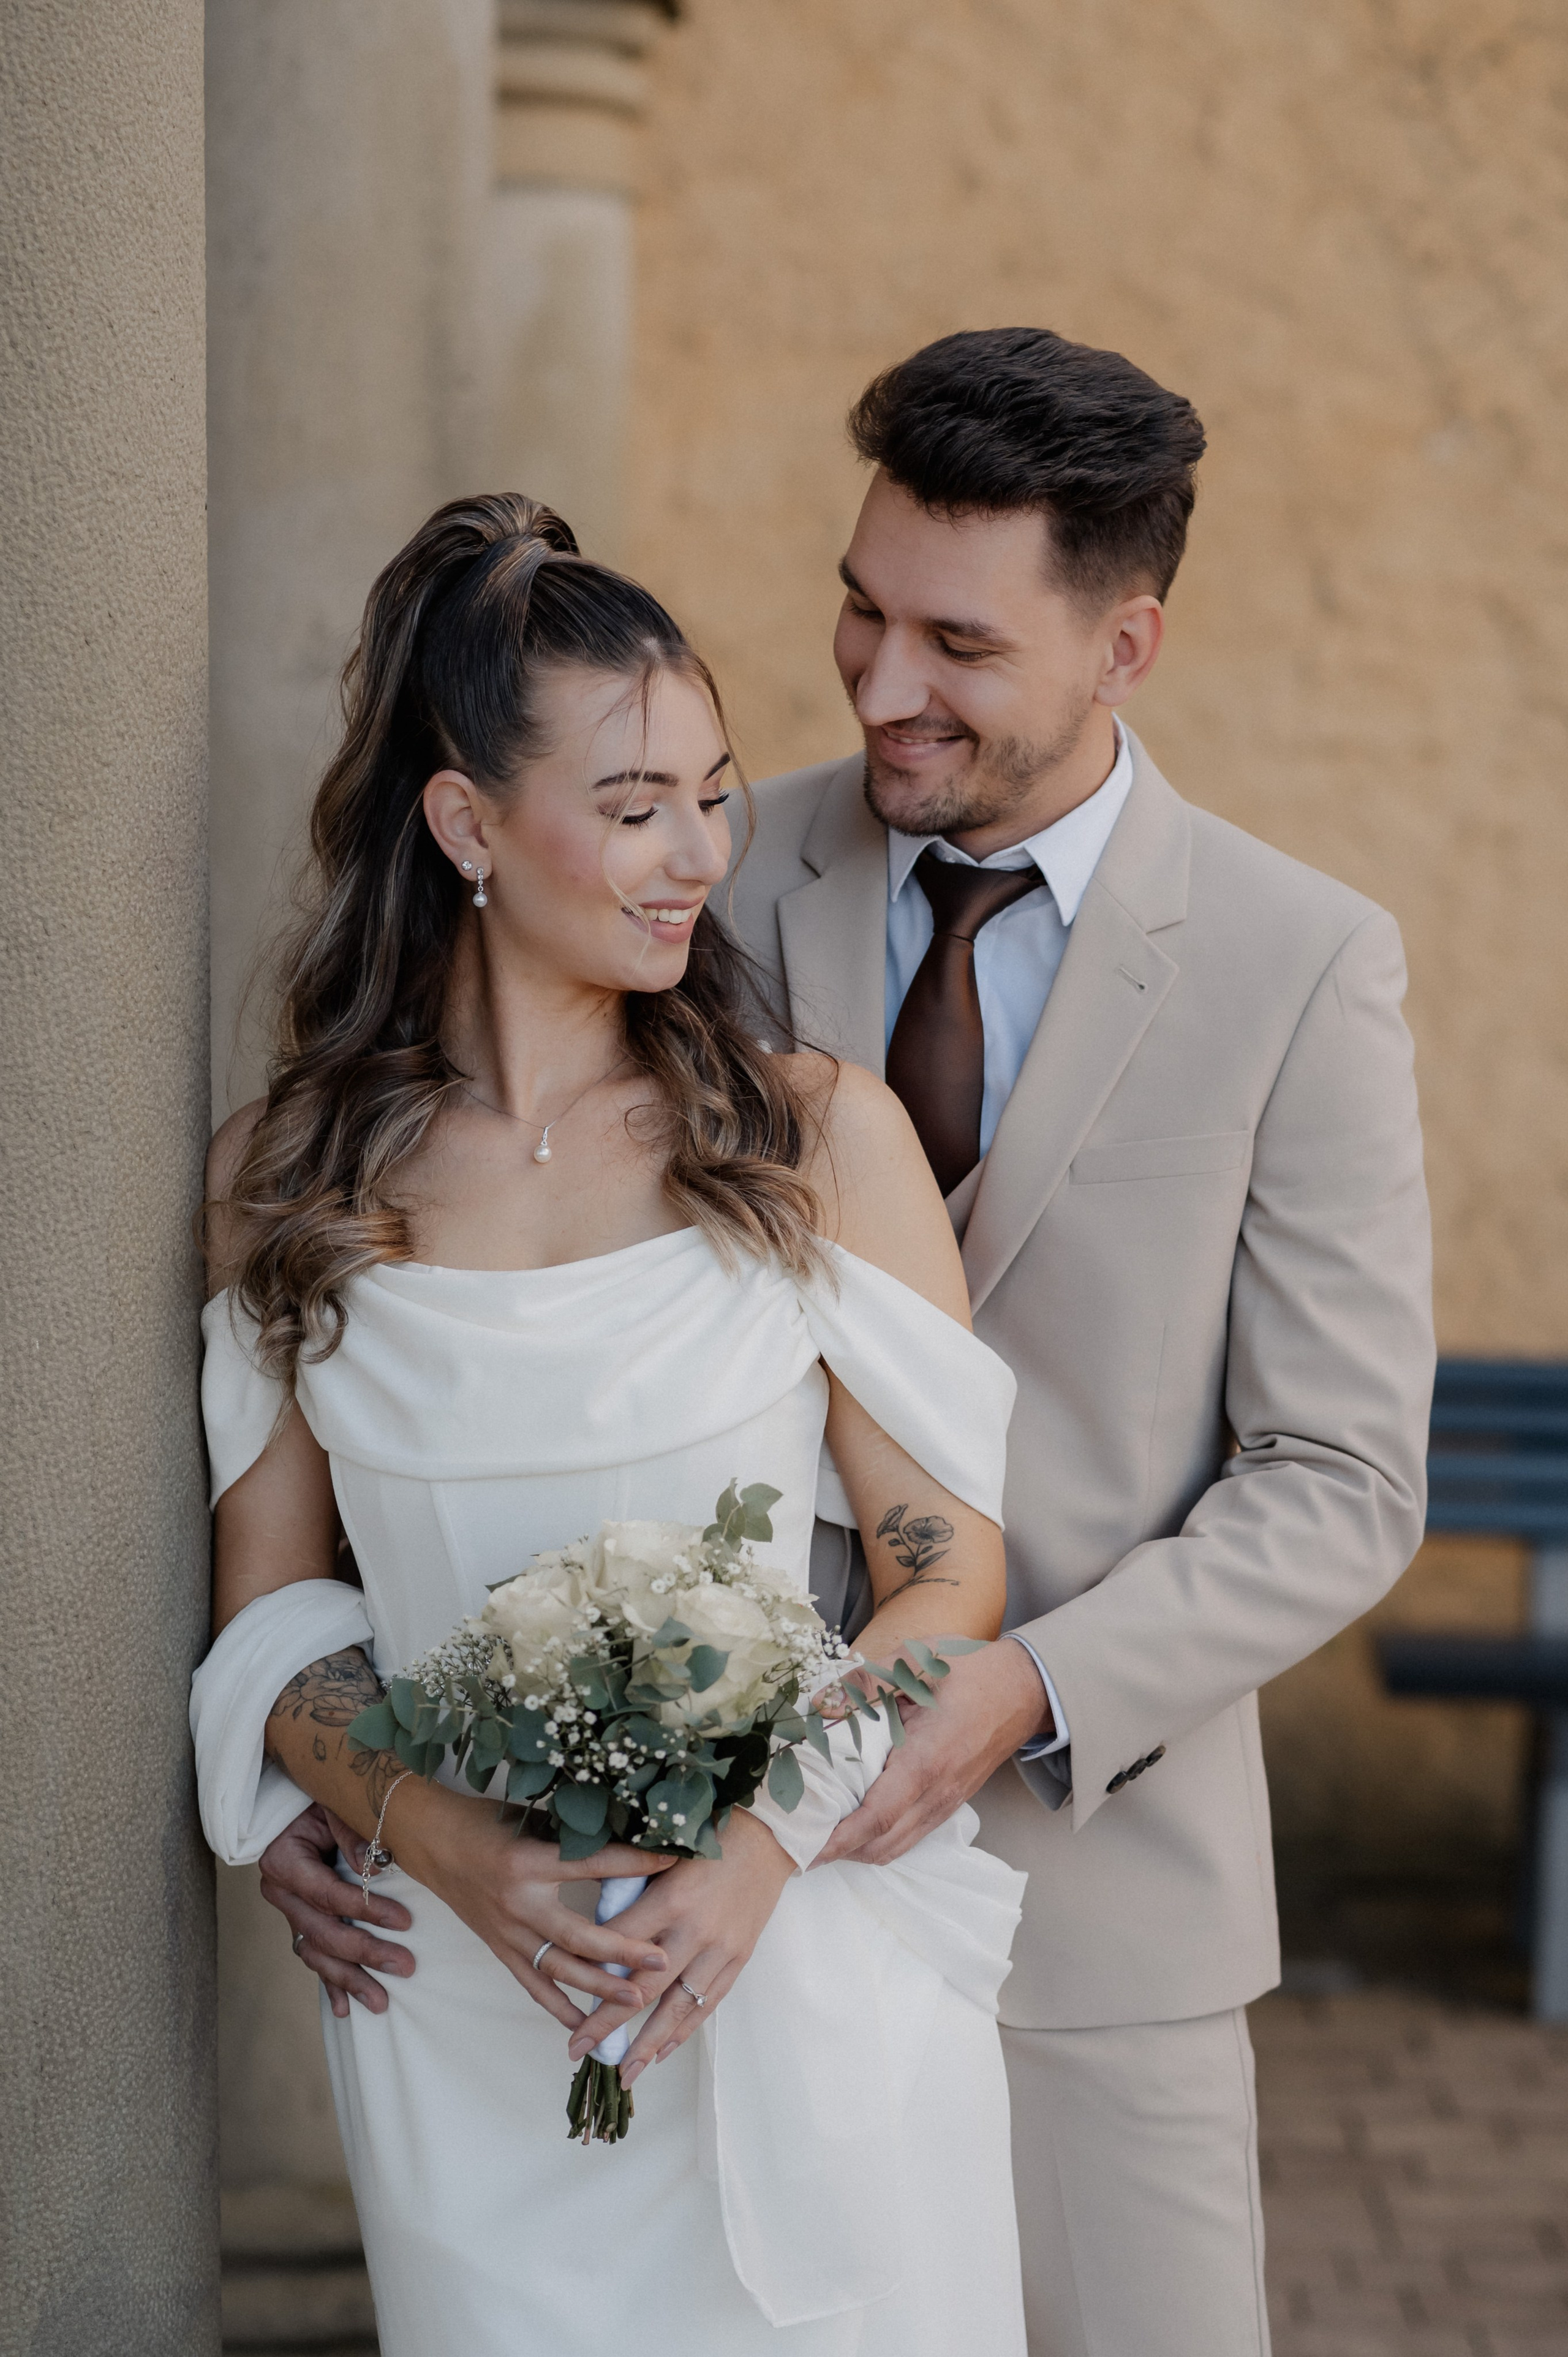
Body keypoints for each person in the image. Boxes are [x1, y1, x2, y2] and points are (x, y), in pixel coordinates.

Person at [266, 330, 1437, 2355]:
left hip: (1097, 1898)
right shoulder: (684, 864)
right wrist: (361, 1783)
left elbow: (1341, 1482)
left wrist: (1024, 1687)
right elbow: (492, 1330)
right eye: (860, 608)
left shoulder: (1296, 963)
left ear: (1123, 646)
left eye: (958, 644)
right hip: (668, 1900)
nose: (883, 685)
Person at [191, 494, 1030, 2357]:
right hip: (463, 2015)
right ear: (467, 824)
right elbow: (271, 1612)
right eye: (638, 805)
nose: (698, 855)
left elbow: (945, 1571)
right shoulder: (290, 1179)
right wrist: (441, 1839)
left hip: (790, 1967)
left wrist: (759, 1857)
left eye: (714, 795)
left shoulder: (811, 1139)